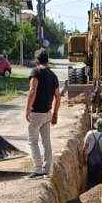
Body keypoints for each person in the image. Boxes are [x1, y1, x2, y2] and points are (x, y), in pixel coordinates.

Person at [25, 48, 61, 178]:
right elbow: (58, 96)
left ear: (37, 60)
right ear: (47, 60)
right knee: (46, 142)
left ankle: (38, 169)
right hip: (47, 113)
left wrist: (27, 109)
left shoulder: (36, 72)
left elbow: (32, 91)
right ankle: (46, 169)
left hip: (36, 113)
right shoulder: (53, 75)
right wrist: (55, 114)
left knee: (33, 141)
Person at [82, 118, 102, 188]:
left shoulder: (90, 133)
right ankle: (98, 188)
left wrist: (83, 158)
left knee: (90, 175)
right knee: (98, 176)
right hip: (100, 159)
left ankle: (90, 187)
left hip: (91, 159)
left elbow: (85, 147)